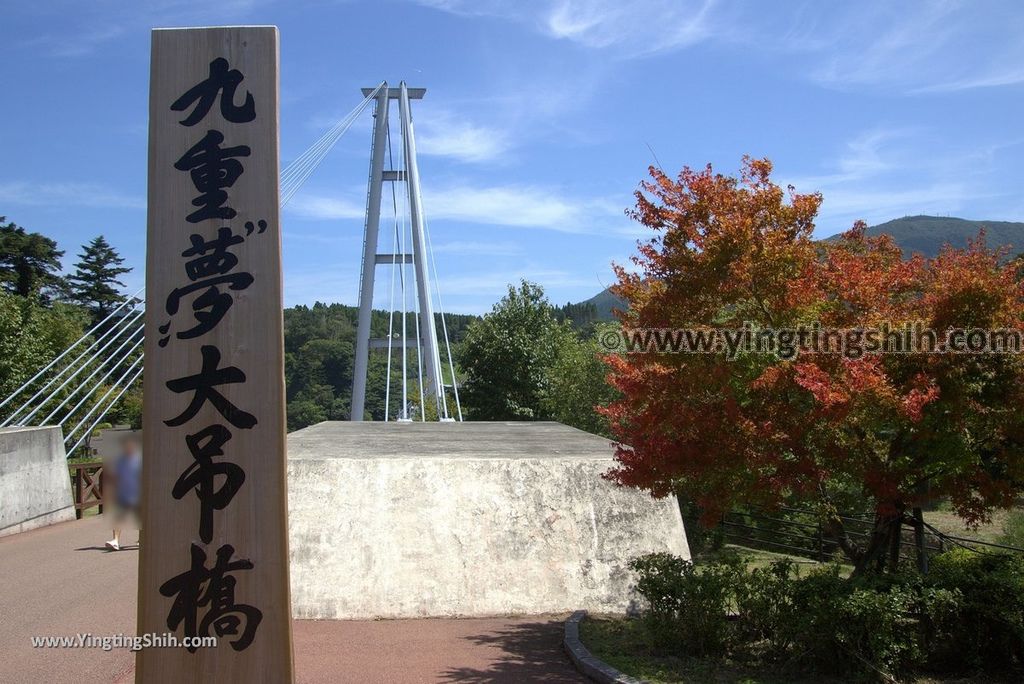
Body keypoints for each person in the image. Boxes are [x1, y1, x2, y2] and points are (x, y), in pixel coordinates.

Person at [105, 434, 141, 551]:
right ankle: (115, 541)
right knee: (118, 518)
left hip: (137, 493)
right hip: (123, 493)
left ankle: (142, 540)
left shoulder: (139, 460)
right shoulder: (120, 461)